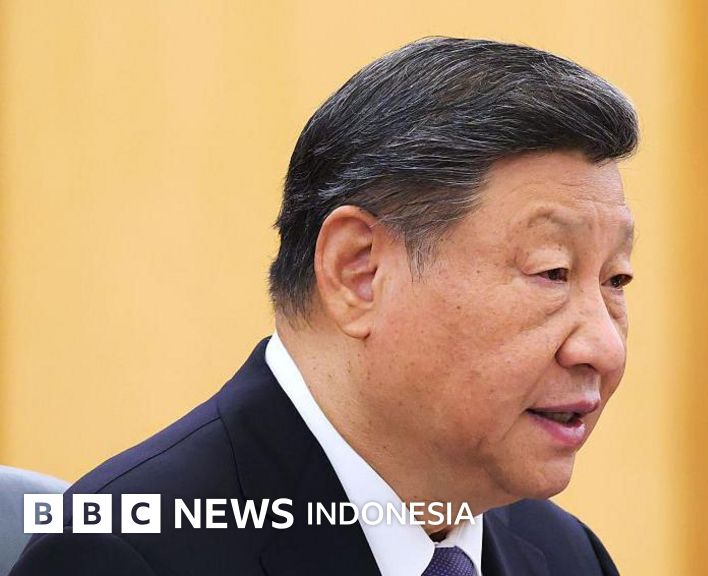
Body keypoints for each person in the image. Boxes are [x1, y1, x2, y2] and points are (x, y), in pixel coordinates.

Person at [12, 36, 638, 576]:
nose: (604, 348)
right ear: (358, 272)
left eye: (616, 280)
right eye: (552, 273)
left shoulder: (565, 555)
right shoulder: (124, 555)